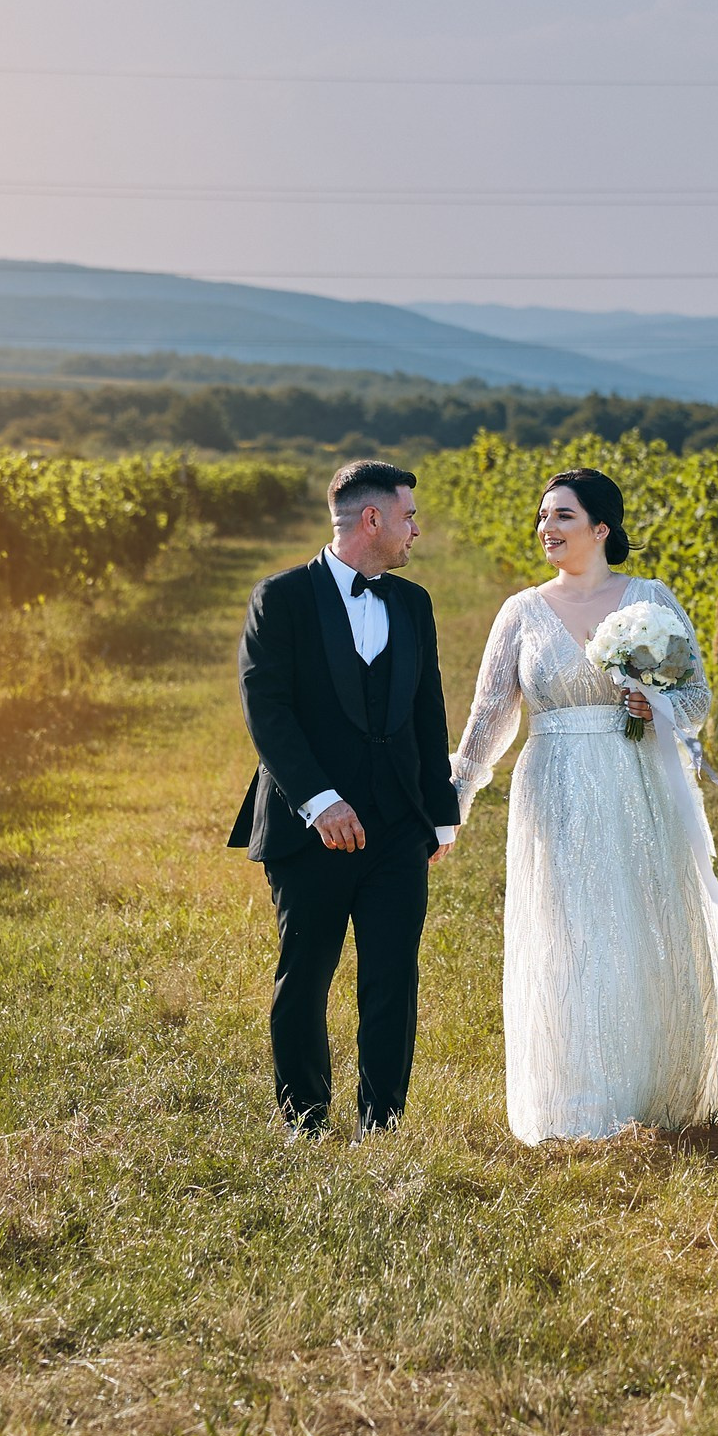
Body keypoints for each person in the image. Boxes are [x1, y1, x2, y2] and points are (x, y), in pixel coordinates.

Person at [449, 467, 718, 1144]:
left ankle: (651, 1091)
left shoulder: (649, 598)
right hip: (552, 784)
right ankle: (575, 1100)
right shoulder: (521, 610)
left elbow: (695, 697)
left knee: (635, 924)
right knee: (566, 929)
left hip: (634, 781)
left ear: (601, 528)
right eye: (542, 517)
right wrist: (456, 798)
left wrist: (656, 704)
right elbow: (489, 715)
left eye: (562, 517)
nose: (546, 529)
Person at [229, 461, 460, 1136]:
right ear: (373, 519)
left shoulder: (413, 603)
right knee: (305, 977)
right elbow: (267, 712)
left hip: (396, 827)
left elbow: (427, 708)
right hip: (310, 831)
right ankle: (304, 1119)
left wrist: (439, 813)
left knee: (393, 977)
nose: (416, 528)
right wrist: (321, 800)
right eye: (409, 516)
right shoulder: (281, 597)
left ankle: (381, 1123)